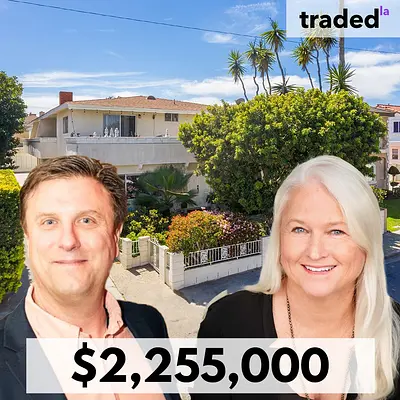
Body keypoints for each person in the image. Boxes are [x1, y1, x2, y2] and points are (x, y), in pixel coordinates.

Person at [192, 155, 400, 400]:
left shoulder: (395, 332)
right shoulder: (227, 324)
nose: (315, 252)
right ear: (279, 237)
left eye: (337, 231)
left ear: (366, 242)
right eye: (299, 229)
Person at [0, 155, 179, 400]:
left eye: (87, 220)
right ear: (28, 237)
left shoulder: (150, 324)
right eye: (49, 222)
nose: (68, 241)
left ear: (115, 237)